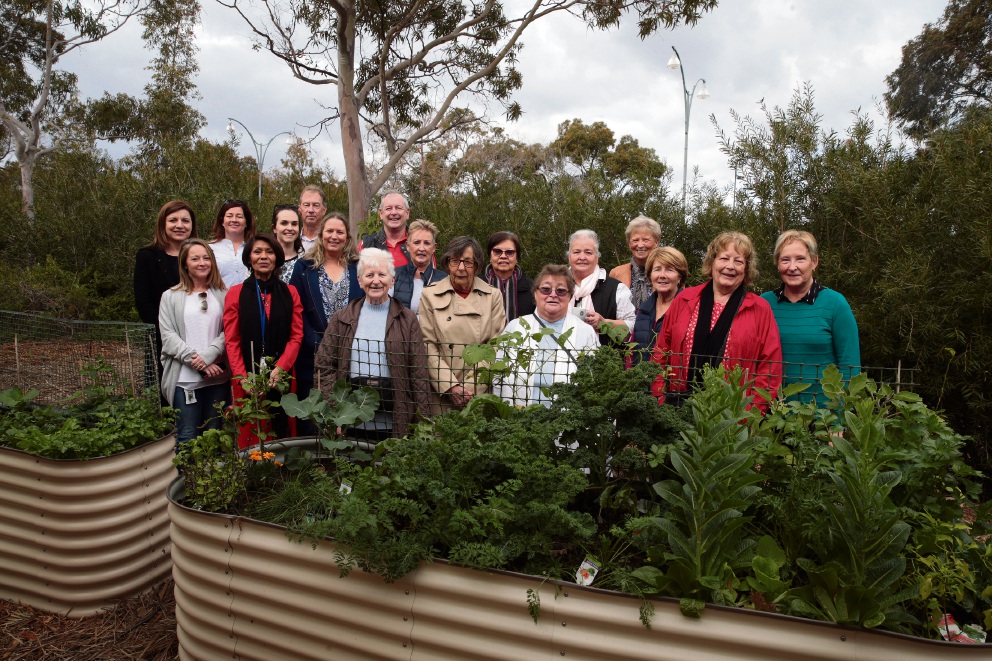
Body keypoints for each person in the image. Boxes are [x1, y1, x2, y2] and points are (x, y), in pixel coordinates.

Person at [651, 231, 782, 412]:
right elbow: (660, 353)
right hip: (678, 407)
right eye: (724, 258)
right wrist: (660, 399)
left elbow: (770, 368)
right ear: (712, 261)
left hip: (732, 415)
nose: (730, 266)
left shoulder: (760, 309)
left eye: (738, 261)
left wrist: (750, 414)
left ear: (746, 268)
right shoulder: (685, 299)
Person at [315, 248, 431, 441]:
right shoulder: (341, 318)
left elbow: (418, 371)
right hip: (349, 420)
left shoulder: (408, 319)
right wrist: (333, 414)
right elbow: (324, 367)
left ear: (392, 280)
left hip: (394, 421)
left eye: (382, 274)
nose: (376, 281)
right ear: (360, 280)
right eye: (369, 275)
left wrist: (423, 421)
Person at [761, 230, 860, 403]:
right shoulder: (764, 303)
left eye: (800, 259)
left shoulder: (835, 304)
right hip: (773, 414)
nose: (792, 267)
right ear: (777, 263)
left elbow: (850, 368)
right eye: (785, 260)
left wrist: (838, 418)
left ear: (814, 262)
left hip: (823, 417)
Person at [223, 234, 303, 447]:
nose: (263, 256)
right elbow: (231, 340)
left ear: (277, 257)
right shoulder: (235, 294)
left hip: (281, 375)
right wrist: (243, 378)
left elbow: (296, 336)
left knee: (281, 431)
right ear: (249, 258)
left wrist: (280, 369)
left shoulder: (290, 292)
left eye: (269, 252)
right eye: (257, 252)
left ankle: (282, 475)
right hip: (246, 377)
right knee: (250, 430)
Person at [418, 236, 506, 410]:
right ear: (447, 263)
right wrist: (451, 386)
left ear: (477, 265)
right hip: (442, 392)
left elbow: (495, 346)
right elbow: (427, 345)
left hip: (478, 394)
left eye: (467, 262)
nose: (460, 268)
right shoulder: (429, 295)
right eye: (455, 261)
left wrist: (470, 388)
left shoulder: (493, 296)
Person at [494, 264, 599, 407]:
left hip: (566, 419)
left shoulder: (585, 332)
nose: (553, 294)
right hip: (518, 417)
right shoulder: (515, 327)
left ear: (570, 296)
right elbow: (498, 377)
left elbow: (594, 380)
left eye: (561, 291)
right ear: (535, 293)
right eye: (546, 289)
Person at [158, 239, 230, 445]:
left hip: (217, 379)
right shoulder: (170, 297)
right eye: (195, 258)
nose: (202, 263)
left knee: (214, 434)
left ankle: (214, 478)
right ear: (184, 264)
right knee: (187, 436)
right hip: (184, 380)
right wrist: (196, 360)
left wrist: (208, 357)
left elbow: (229, 332)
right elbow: (168, 336)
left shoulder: (223, 295)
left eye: (207, 258)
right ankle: (187, 478)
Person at [288, 212, 364, 404]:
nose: (334, 236)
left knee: (346, 412)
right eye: (329, 231)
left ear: (347, 237)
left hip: (350, 352)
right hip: (312, 352)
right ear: (322, 235)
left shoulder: (358, 267)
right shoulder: (304, 267)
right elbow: (297, 309)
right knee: (313, 414)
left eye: (340, 232)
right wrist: (315, 342)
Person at [134, 200, 196, 357]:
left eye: (185, 221)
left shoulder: (201, 257)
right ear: (163, 224)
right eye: (173, 220)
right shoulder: (147, 256)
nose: (180, 225)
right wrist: (167, 333)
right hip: (162, 338)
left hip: (197, 333)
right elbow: (144, 302)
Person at [567, 229, 636, 346]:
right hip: (561, 360)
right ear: (569, 257)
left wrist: (604, 323)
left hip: (602, 361)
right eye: (576, 252)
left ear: (597, 257)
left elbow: (632, 329)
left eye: (588, 252)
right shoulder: (557, 286)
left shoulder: (616, 289)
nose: (582, 257)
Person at [631, 246, 689, 365]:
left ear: (680, 277)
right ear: (650, 276)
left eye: (669, 270)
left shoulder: (689, 309)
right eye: (657, 269)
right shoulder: (643, 309)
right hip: (642, 380)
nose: (662, 275)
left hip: (673, 381)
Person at [392, 219, 446, 313]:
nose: (421, 248)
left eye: (427, 243)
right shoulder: (394, 276)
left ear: (434, 248)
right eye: (416, 243)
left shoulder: (444, 281)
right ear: (408, 246)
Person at [609, 215, 662, 309]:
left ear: (656, 242)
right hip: (623, 323)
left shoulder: (668, 273)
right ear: (629, 243)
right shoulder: (616, 273)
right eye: (635, 240)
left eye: (646, 240)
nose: (640, 245)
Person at [483, 231, 536, 322]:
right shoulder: (476, 286)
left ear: (517, 258)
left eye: (509, 252)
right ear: (490, 256)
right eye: (497, 251)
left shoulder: (533, 289)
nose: (503, 256)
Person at [209, 199, 256, 287]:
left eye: (239, 216)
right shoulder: (209, 249)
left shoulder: (255, 248)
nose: (234, 220)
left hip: (250, 299)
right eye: (229, 216)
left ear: (246, 223)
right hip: (219, 299)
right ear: (222, 221)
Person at [359, 190, 412, 268]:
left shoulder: (420, 244)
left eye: (399, 208)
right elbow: (357, 277)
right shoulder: (366, 244)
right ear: (381, 213)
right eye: (388, 208)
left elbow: (431, 277)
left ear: (407, 213)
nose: (394, 212)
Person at [272, 204, 305, 283]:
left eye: (294, 224)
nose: (290, 228)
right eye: (284, 223)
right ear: (274, 228)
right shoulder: (262, 259)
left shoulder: (307, 262)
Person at [298, 185, 327, 253]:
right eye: (306, 205)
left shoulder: (331, 240)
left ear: (324, 210)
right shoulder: (291, 240)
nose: (311, 210)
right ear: (299, 209)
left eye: (316, 205)